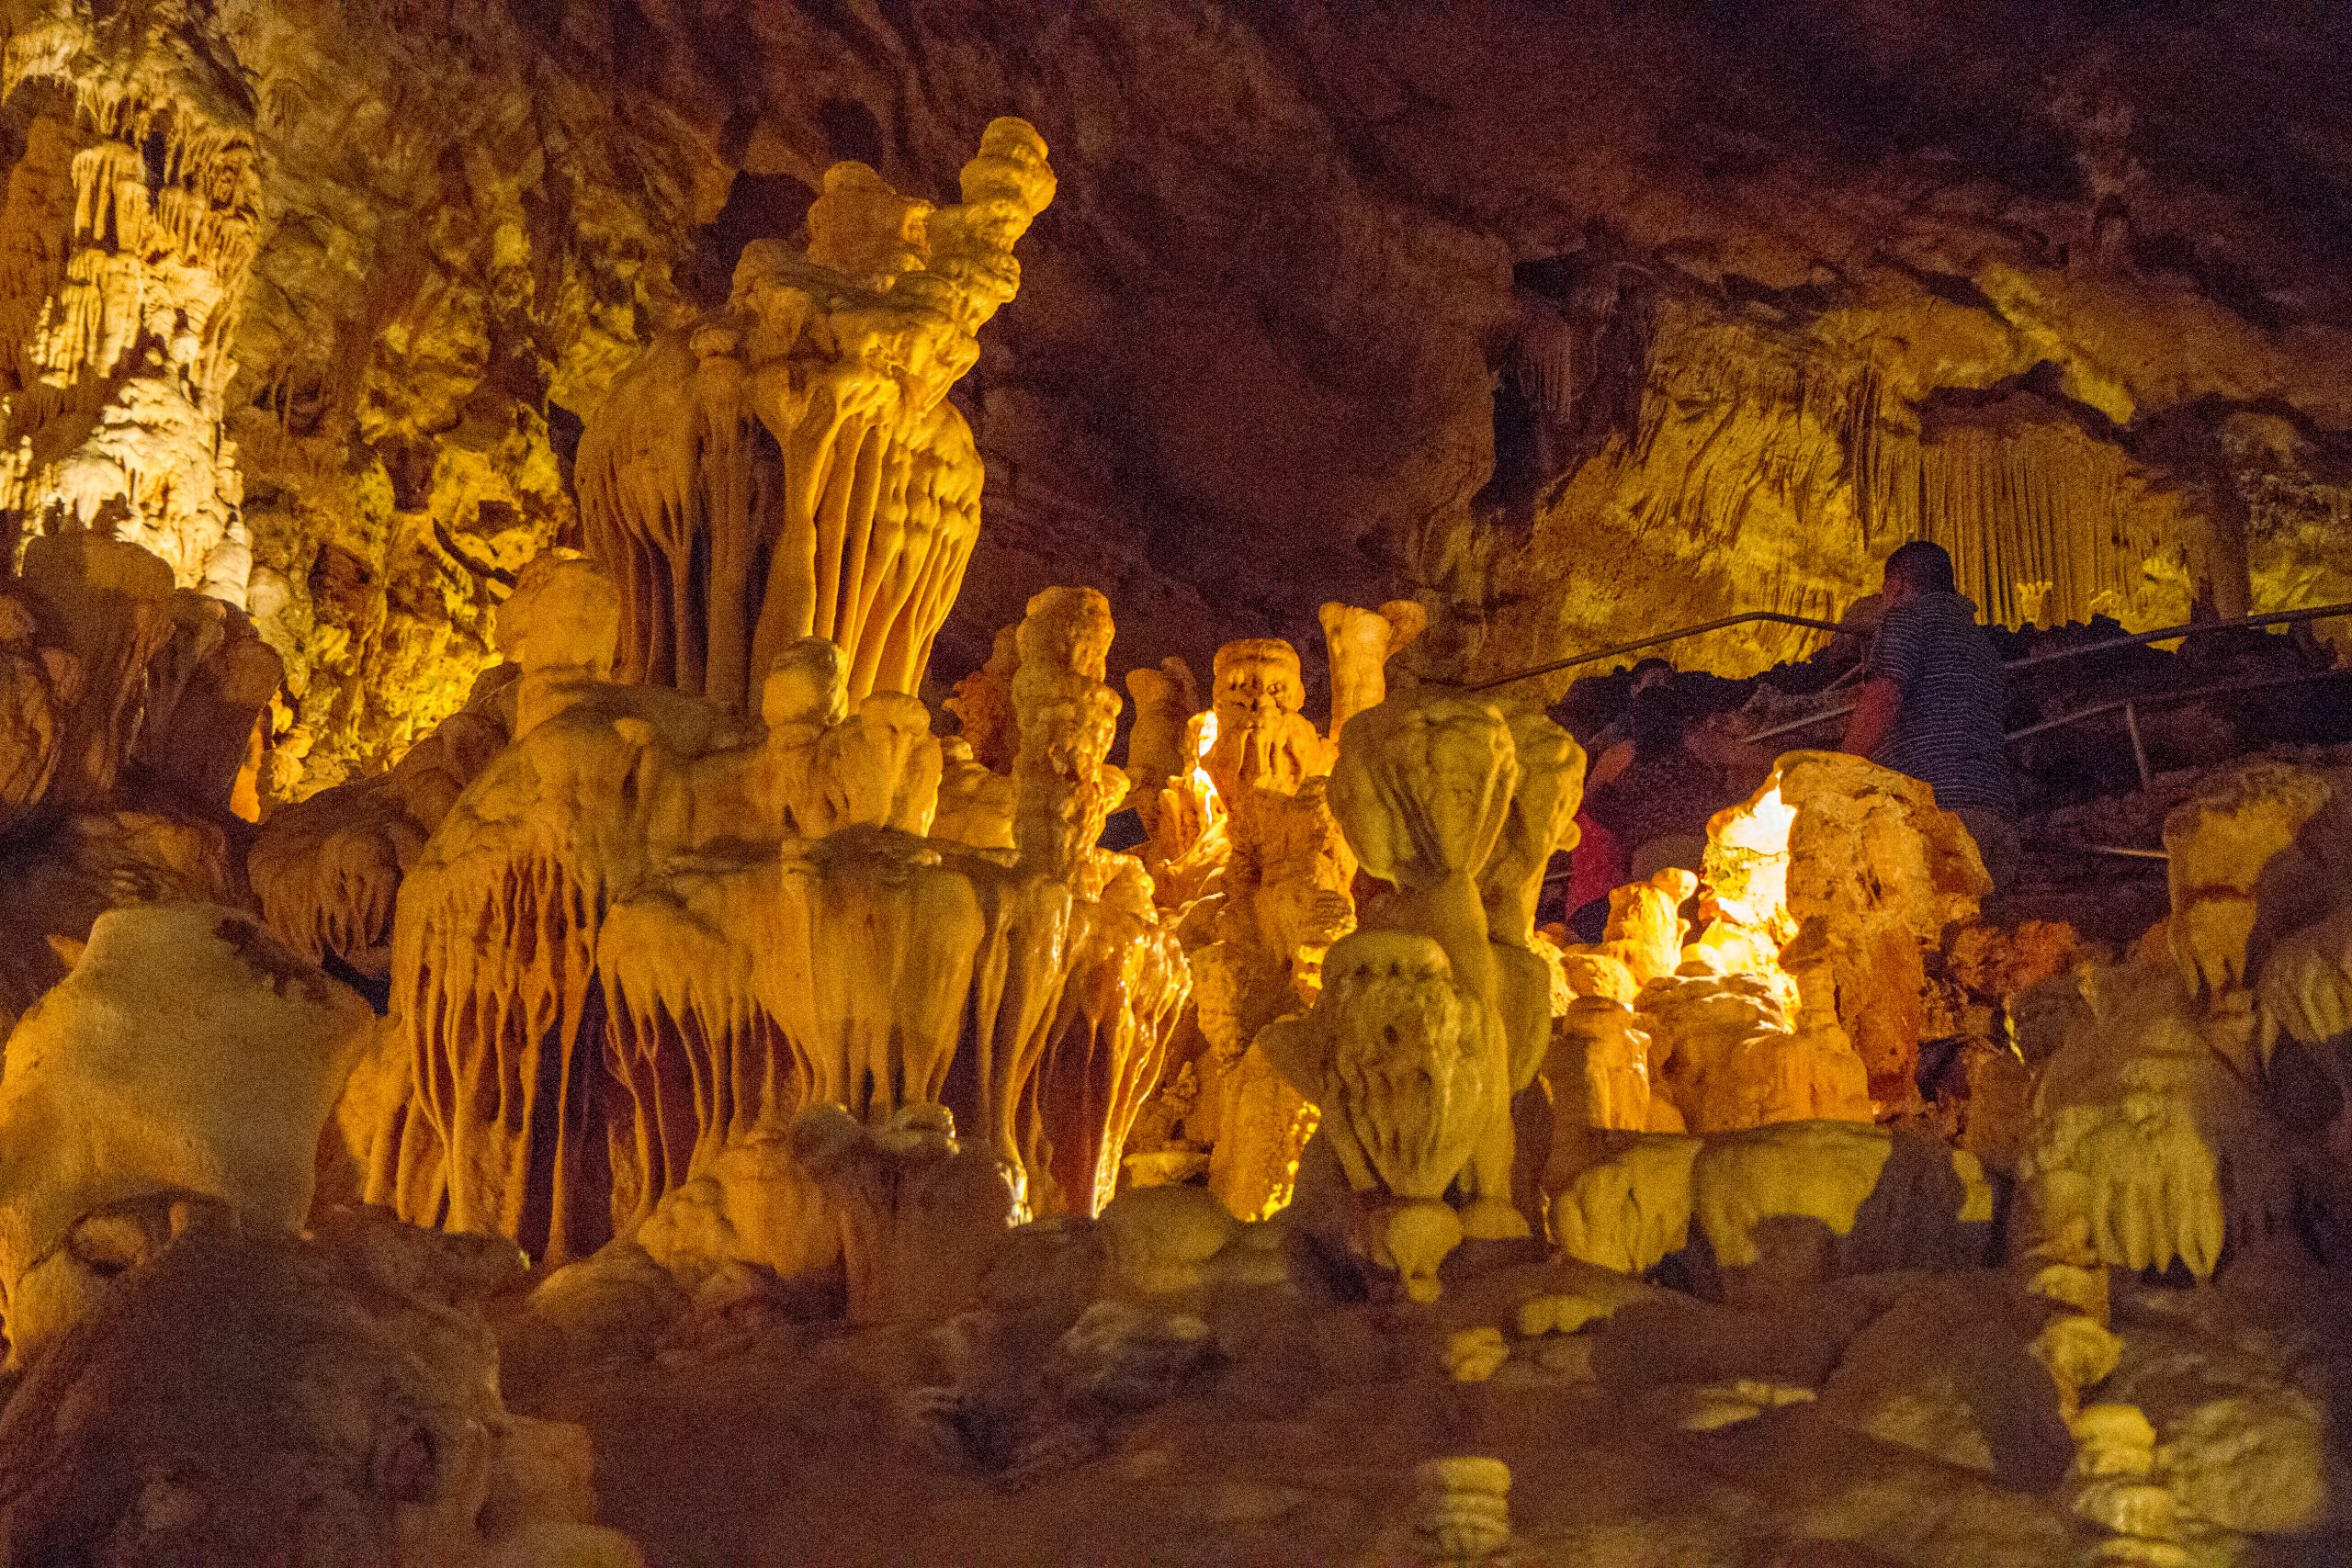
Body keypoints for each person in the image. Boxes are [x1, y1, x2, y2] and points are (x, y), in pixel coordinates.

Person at [1840, 540, 2019, 889]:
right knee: (1975, 942)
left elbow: (1884, 696)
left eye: (1886, 591)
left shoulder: (1908, 619)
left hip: (1935, 813)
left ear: (1900, 585)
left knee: (1914, 938)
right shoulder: (1982, 645)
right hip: (1997, 819)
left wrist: (1840, 768)